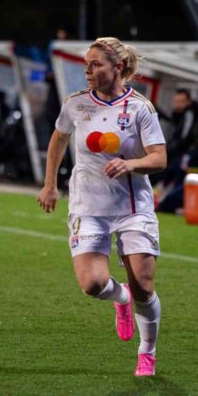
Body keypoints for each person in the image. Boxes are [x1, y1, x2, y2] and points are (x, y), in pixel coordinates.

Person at [37, 37, 166, 377]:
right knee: (93, 284)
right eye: (87, 65)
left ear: (117, 67)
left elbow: (160, 158)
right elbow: (59, 138)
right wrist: (50, 184)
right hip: (88, 206)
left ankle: (147, 353)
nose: (88, 71)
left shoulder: (141, 108)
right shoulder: (77, 104)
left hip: (132, 207)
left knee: (144, 284)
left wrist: (131, 165)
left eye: (96, 65)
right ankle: (120, 298)